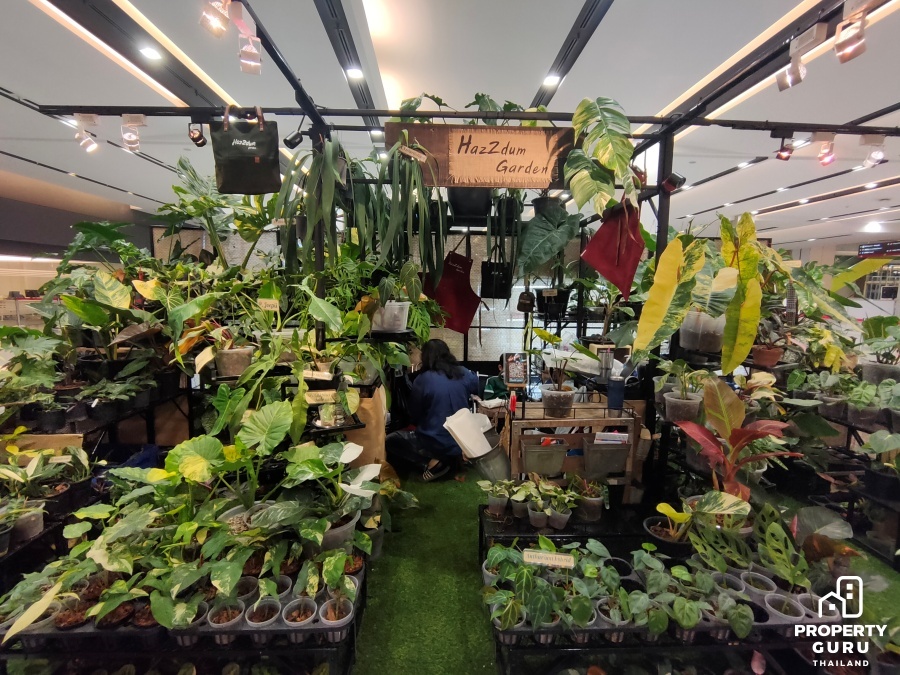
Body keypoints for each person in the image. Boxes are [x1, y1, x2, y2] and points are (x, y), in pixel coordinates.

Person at [386, 339, 478, 481]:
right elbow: (476, 386)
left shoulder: (422, 379)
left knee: (391, 440)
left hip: (434, 441)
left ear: (425, 356)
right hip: (462, 442)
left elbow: (414, 414)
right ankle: (454, 459)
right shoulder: (464, 373)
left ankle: (431, 463)